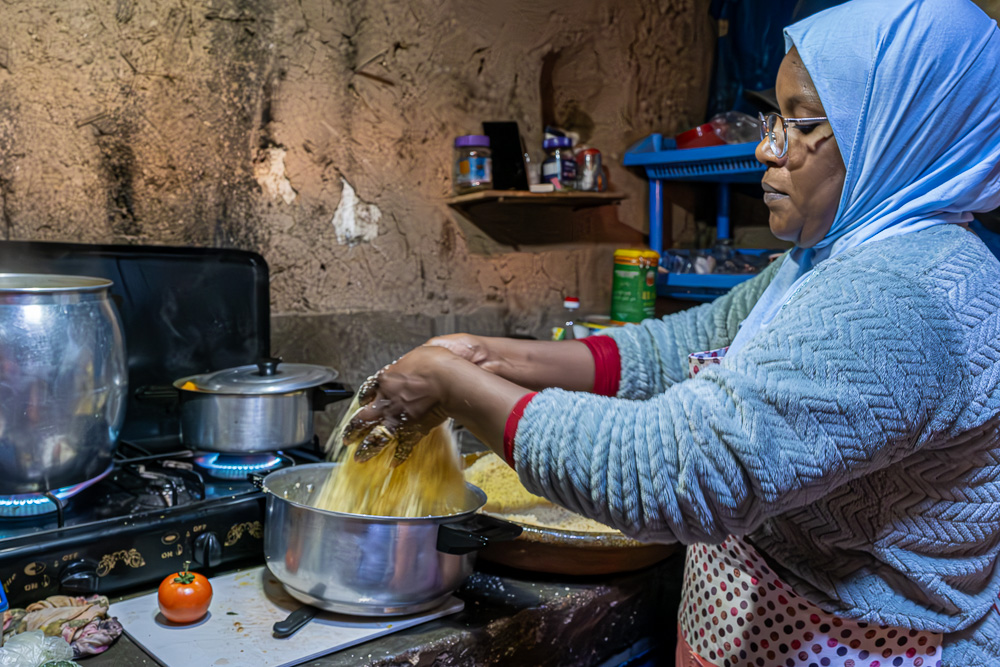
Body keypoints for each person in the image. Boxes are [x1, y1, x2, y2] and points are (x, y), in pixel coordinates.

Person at [346, 0, 1000, 663]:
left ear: (899, 129)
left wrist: (457, 388)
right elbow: (685, 345)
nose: (765, 146)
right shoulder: (836, 255)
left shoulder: (900, 299)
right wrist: (491, 356)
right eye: (773, 117)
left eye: (800, 121)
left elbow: (678, 470)